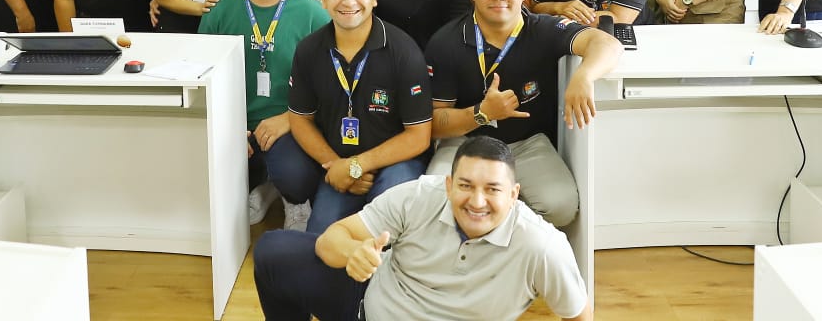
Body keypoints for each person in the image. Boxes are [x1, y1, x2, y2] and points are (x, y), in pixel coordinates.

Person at [252, 136, 592, 321]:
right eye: (465, 185)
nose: (477, 202)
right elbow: (331, 241)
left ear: (514, 194)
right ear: (448, 184)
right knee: (272, 251)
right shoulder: (419, 195)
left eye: (492, 189)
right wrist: (353, 253)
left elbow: (578, 314)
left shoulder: (543, 246)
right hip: (371, 306)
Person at [426, 0, 621, 231]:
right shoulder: (445, 42)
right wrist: (481, 113)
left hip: (527, 143)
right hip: (465, 141)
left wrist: (584, 76)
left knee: (561, 206)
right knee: (432, 199)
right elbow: (435, 124)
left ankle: (505, 237)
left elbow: (607, 44)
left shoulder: (543, 29)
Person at [285, 0, 432, 233]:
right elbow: (300, 119)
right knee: (321, 237)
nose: (349, 1)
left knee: (386, 227)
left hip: (396, 163)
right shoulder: (309, 50)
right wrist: (336, 166)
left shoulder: (404, 52)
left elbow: (419, 136)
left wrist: (356, 165)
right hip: (338, 161)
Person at [199, 0, 331, 232]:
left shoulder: (313, 14)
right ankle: (265, 186)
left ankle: (289, 196)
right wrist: (226, 126)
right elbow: (202, 75)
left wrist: (289, 119)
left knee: (296, 179)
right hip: (235, 124)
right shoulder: (220, 10)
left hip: (291, 125)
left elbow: (331, 88)